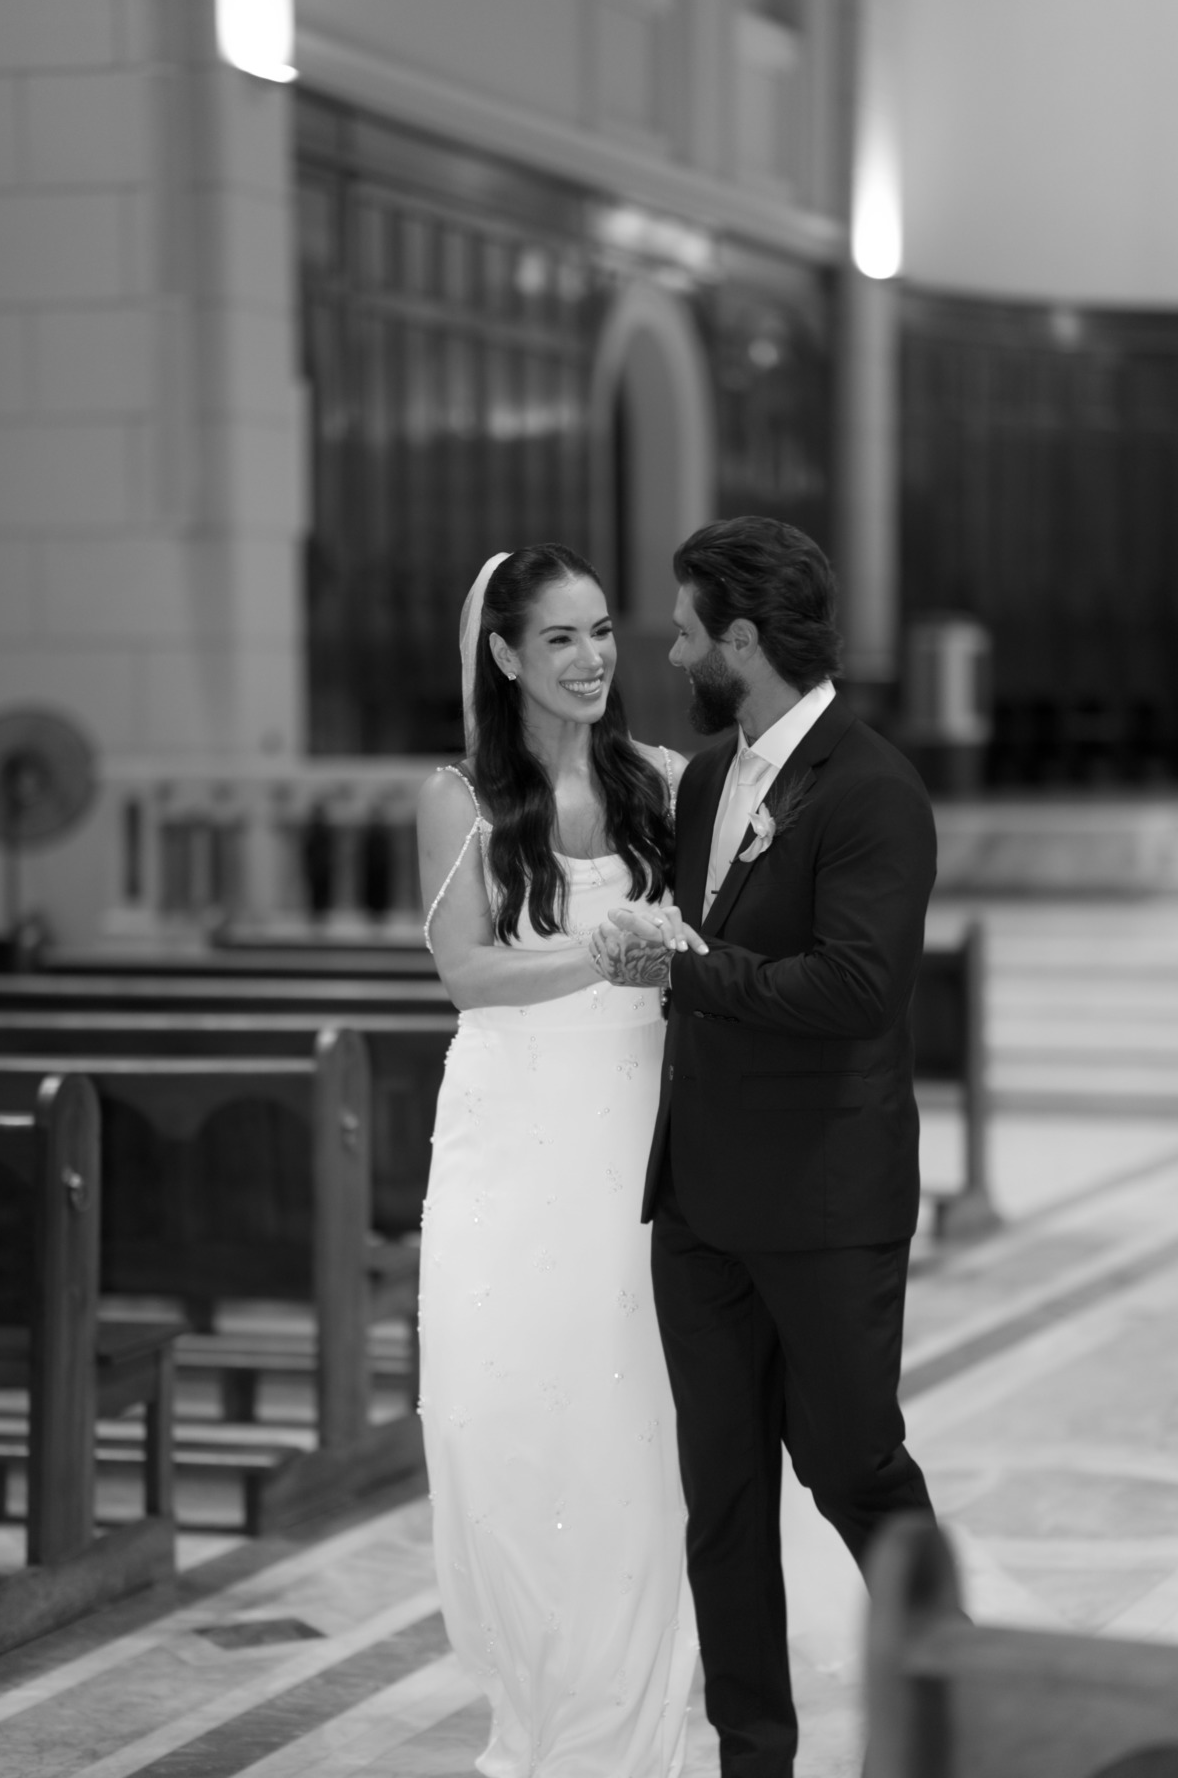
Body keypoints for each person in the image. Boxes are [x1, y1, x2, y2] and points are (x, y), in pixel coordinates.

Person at [593, 516, 938, 1778]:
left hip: (826, 1200)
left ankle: (952, 1705)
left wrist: (691, 966)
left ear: (742, 638)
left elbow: (857, 990)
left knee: (854, 1467)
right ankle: (753, 1754)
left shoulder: (872, 789)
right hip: (701, 1205)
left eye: (686, 626)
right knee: (723, 1503)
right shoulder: (703, 778)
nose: (669, 645)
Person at [416, 543, 700, 1778]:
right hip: (509, 1135)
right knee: (506, 1418)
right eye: (560, 641)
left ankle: (637, 1721)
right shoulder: (458, 794)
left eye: (601, 634)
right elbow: (468, 973)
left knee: (631, 1418)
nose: (592, 661)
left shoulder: (669, 782)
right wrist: (604, 955)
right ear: (504, 658)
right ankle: (534, 1704)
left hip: (635, 1124)